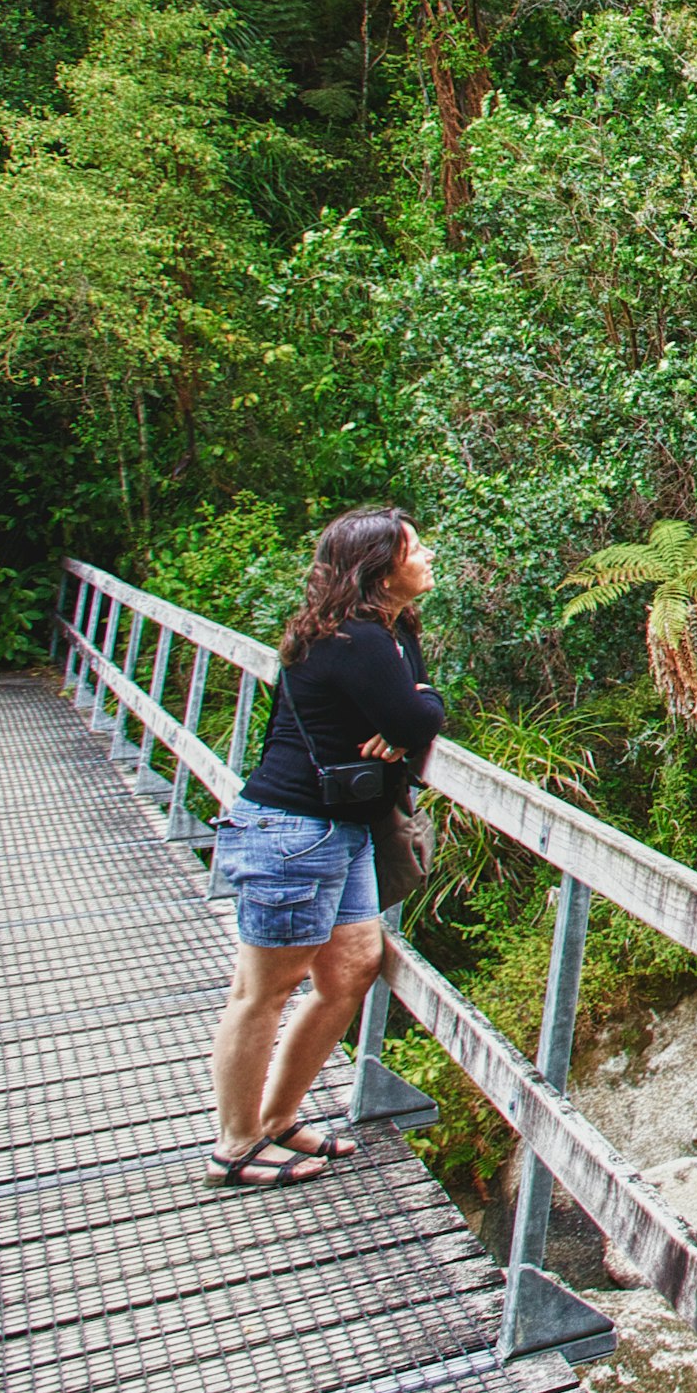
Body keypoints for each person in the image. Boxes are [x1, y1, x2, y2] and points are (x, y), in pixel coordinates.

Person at [204, 505, 442, 1187]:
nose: (426, 556)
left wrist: (413, 709)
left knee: (352, 970)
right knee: (263, 991)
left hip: (342, 830)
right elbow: (414, 711)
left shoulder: (390, 629)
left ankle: (278, 1118)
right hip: (293, 830)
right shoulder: (355, 639)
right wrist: (412, 712)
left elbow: (415, 702)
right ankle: (236, 1144)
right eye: (414, 548)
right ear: (381, 569)